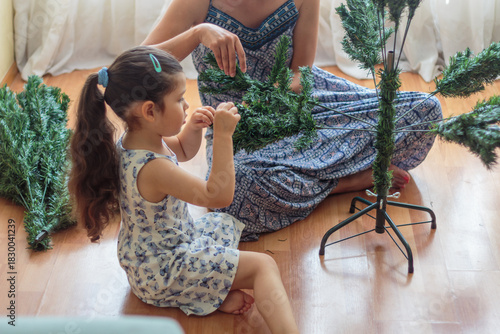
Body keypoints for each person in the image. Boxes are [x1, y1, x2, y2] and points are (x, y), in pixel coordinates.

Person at [142, 0, 443, 241]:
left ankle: (317, 172)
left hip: (301, 99)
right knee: (236, 194)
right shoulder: (197, 3)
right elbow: (136, 65)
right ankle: (344, 179)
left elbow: (302, 73)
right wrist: (198, 32)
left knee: (425, 110)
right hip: (234, 126)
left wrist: (268, 97)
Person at [68, 46, 299, 334]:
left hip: (150, 258)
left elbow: (181, 150)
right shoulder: (153, 169)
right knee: (263, 266)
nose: (186, 105)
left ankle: (209, 293)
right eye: (179, 99)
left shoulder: (136, 140)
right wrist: (223, 136)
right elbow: (218, 196)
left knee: (220, 225)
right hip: (164, 269)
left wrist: (192, 127)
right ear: (150, 111)